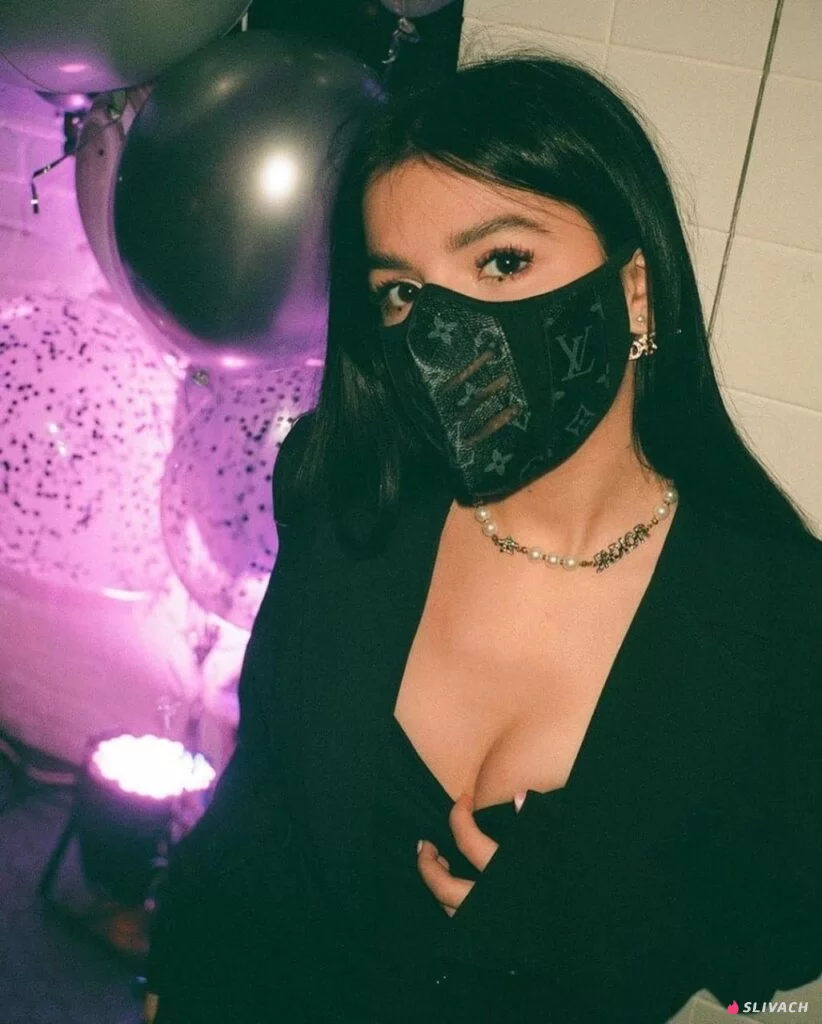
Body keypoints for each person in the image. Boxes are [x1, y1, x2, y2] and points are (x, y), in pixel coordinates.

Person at [143, 53, 822, 1024]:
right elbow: (258, 806)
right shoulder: (349, 504)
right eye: (402, 293)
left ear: (635, 291)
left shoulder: (782, 614)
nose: (441, 337)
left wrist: (619, 933)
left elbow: (779, 945)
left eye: (501, 261)